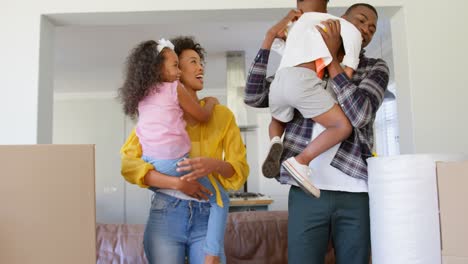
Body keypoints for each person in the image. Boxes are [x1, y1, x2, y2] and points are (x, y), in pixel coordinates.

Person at [244, 3, 389, 264]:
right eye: (361, 20)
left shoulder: (374, 68)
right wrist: (268, 41)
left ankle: (277, 141)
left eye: (372, 28)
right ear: (340, 20)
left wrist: (333, 61)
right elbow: (254, 97)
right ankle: (281, 147)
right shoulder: (305, 62)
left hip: (355, 191)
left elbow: (361, 115)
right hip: (305, 190)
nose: (366, 29)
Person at [120, 36, 249, 264]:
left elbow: (239, 170)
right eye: (192, 62)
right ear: (174, 68)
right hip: (165, 217)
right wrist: (178, 184)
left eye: (201, 62)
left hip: (207, 219)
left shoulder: (223, 116)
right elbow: (129, 167)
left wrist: (216, 165)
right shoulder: (156, 117)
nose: (201, 68)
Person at [263, 0, 363, 198]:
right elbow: (347, 74)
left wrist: (286, 19)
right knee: (342, 127)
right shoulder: (341, 26)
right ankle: (301, 161)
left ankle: (275, 140)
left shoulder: (294, 24)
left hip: (279, 81)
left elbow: (274, 41)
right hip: (303, 82)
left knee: (279, 119)